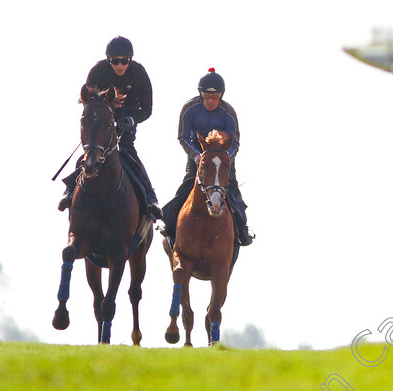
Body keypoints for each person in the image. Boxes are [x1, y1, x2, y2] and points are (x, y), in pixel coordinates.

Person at [58, 35, 162, 219]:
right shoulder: (98, 72)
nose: (120, 66)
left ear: (130, 60)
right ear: (108, 60)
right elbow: (88, 104)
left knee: (128, 150)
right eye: (115, 61)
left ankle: (150, 197)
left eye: (124, 61)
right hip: (102, 113)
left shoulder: (139, 73)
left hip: (129, 114)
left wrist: (131, 120)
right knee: (91, 150)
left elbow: (147, 109)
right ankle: (69, 189)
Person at [162, 68, 254, 246]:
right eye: (206, 97)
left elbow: (235, 142)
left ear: (221, 96)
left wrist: (225, 159)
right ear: (200, 95)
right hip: (197, 157)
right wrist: (196, 156)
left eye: (215, 97)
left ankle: (242, 228)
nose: (210, 101)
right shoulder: (189, 109)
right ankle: (170, 221)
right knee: (187, 185)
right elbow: (183, 136)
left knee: (233, 189)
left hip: (223, 158)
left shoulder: (229, 112)